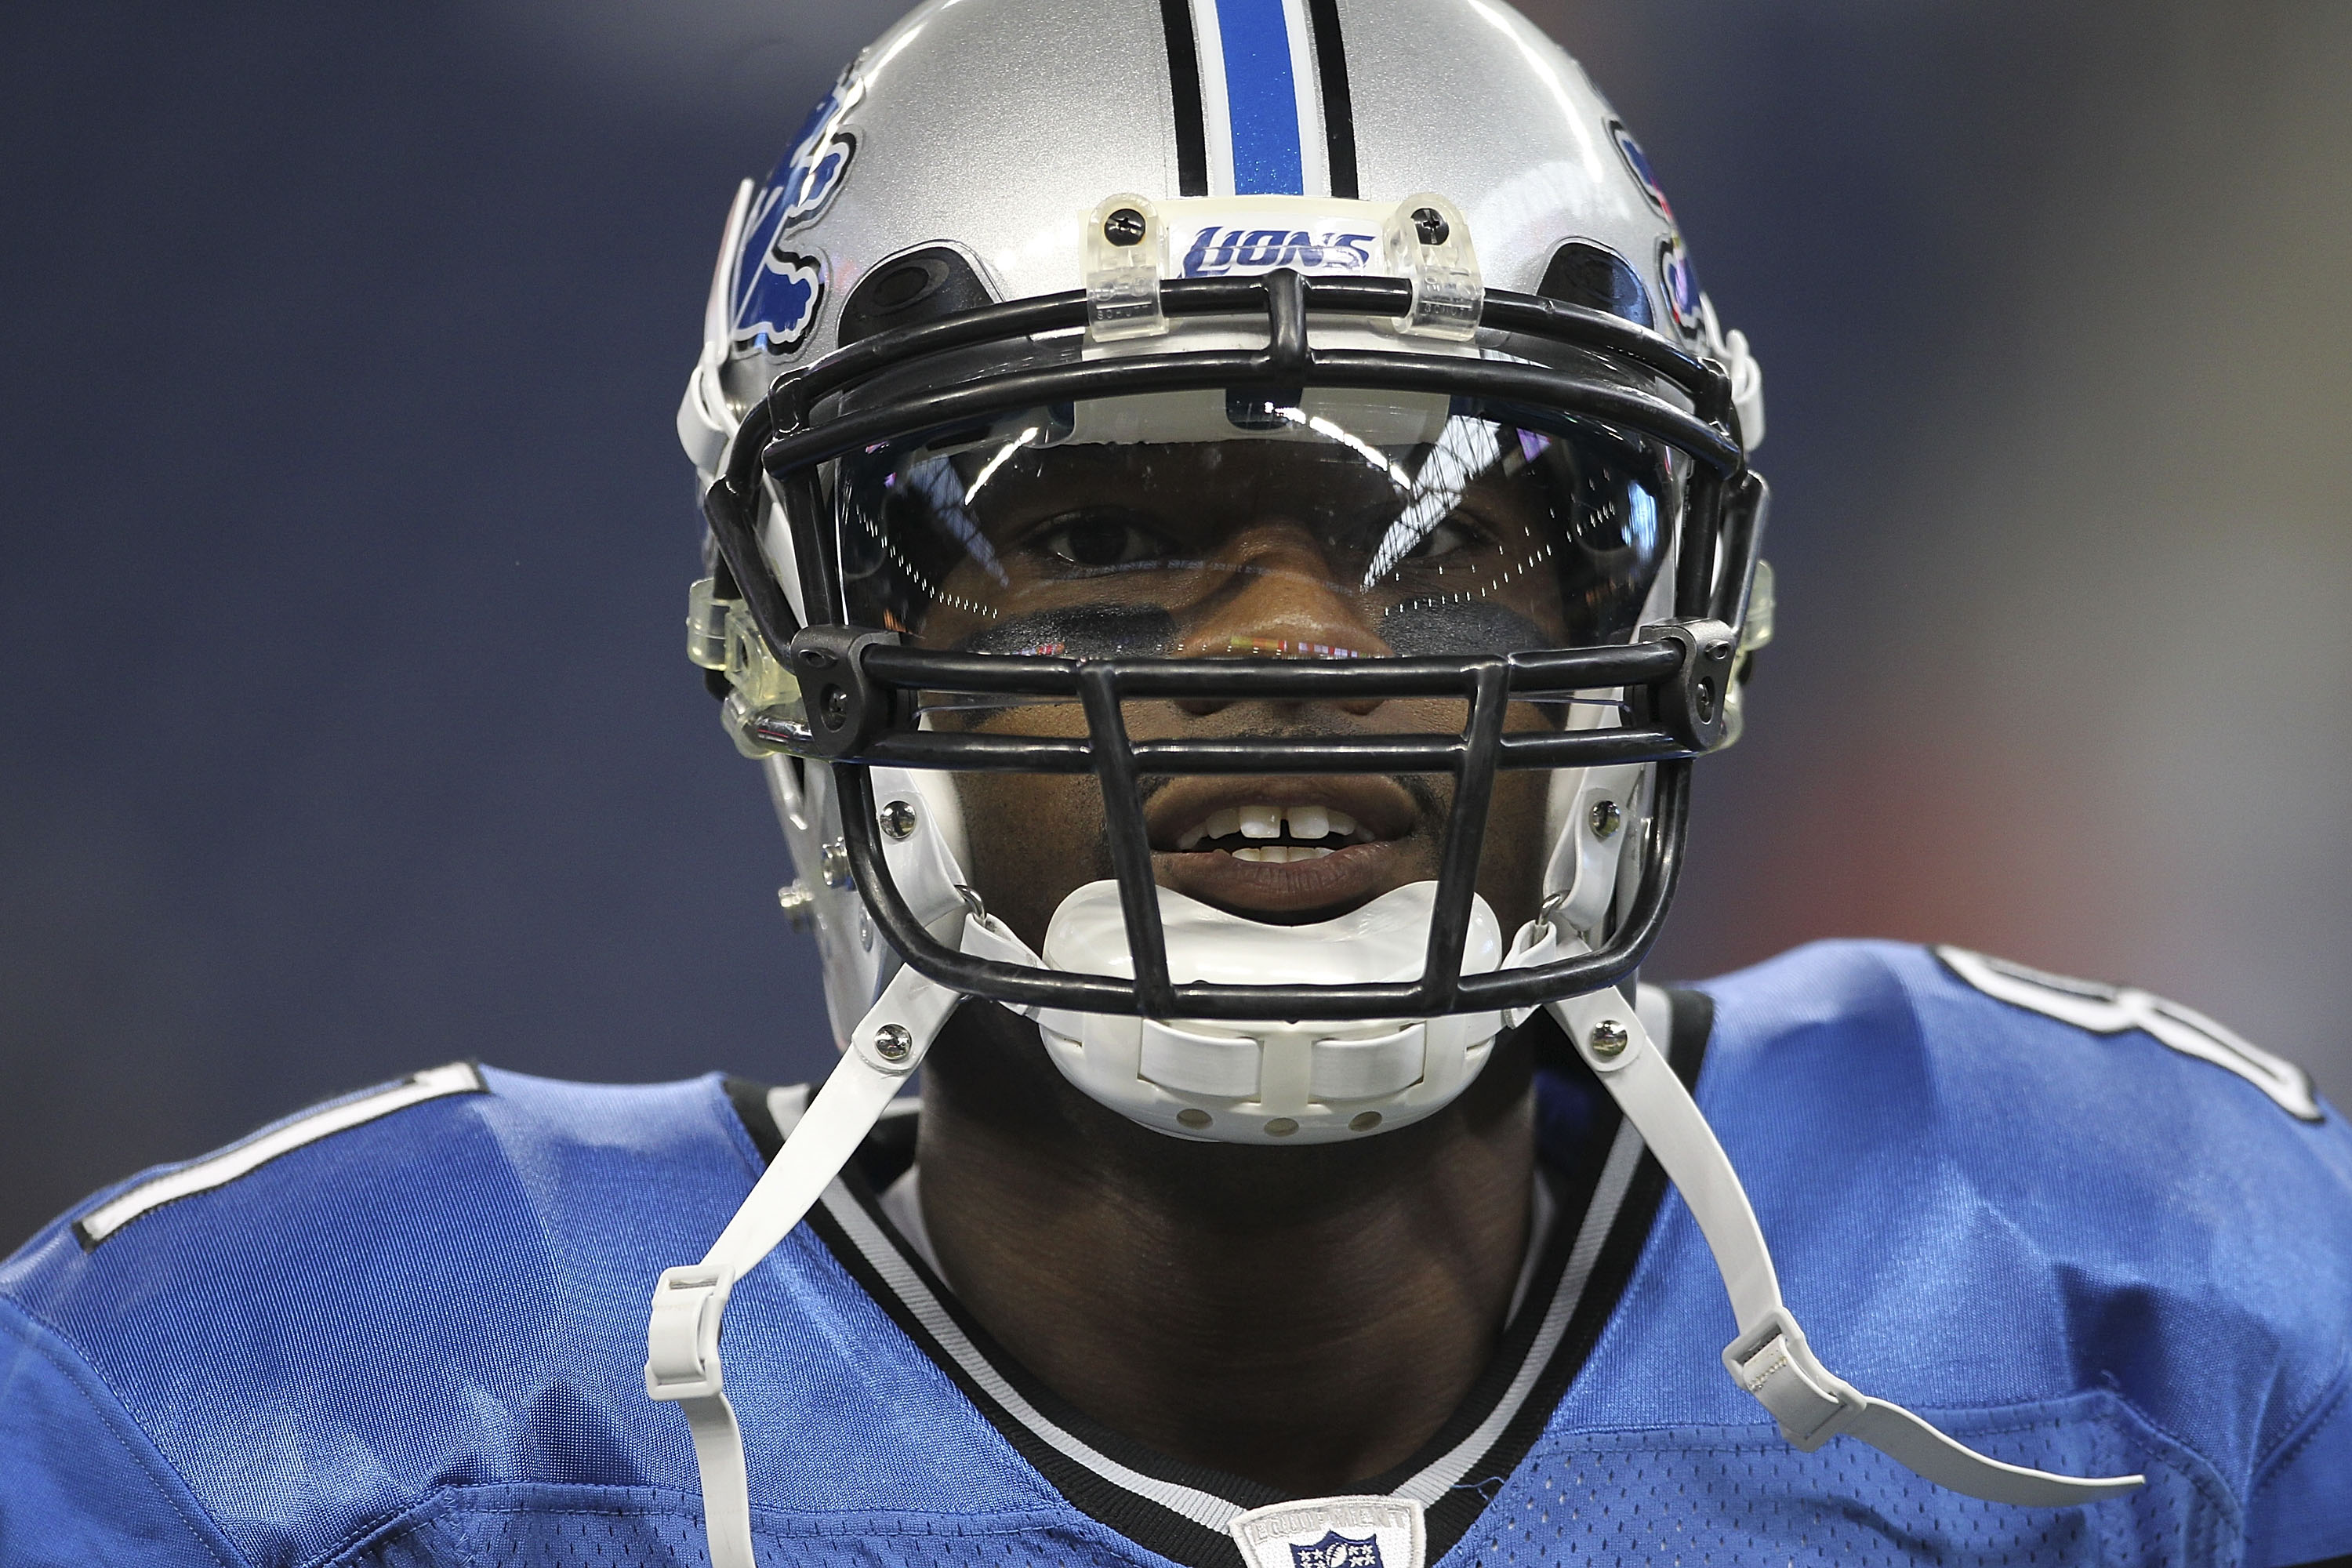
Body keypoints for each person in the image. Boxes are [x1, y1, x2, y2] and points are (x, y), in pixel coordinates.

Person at [4, 1, 2347, 1564]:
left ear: (1663, 617)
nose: (1297, 656)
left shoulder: (2132, 1281)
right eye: (1107, 541)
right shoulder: (305, 1408)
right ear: (819, 645)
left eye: (1448, 541)